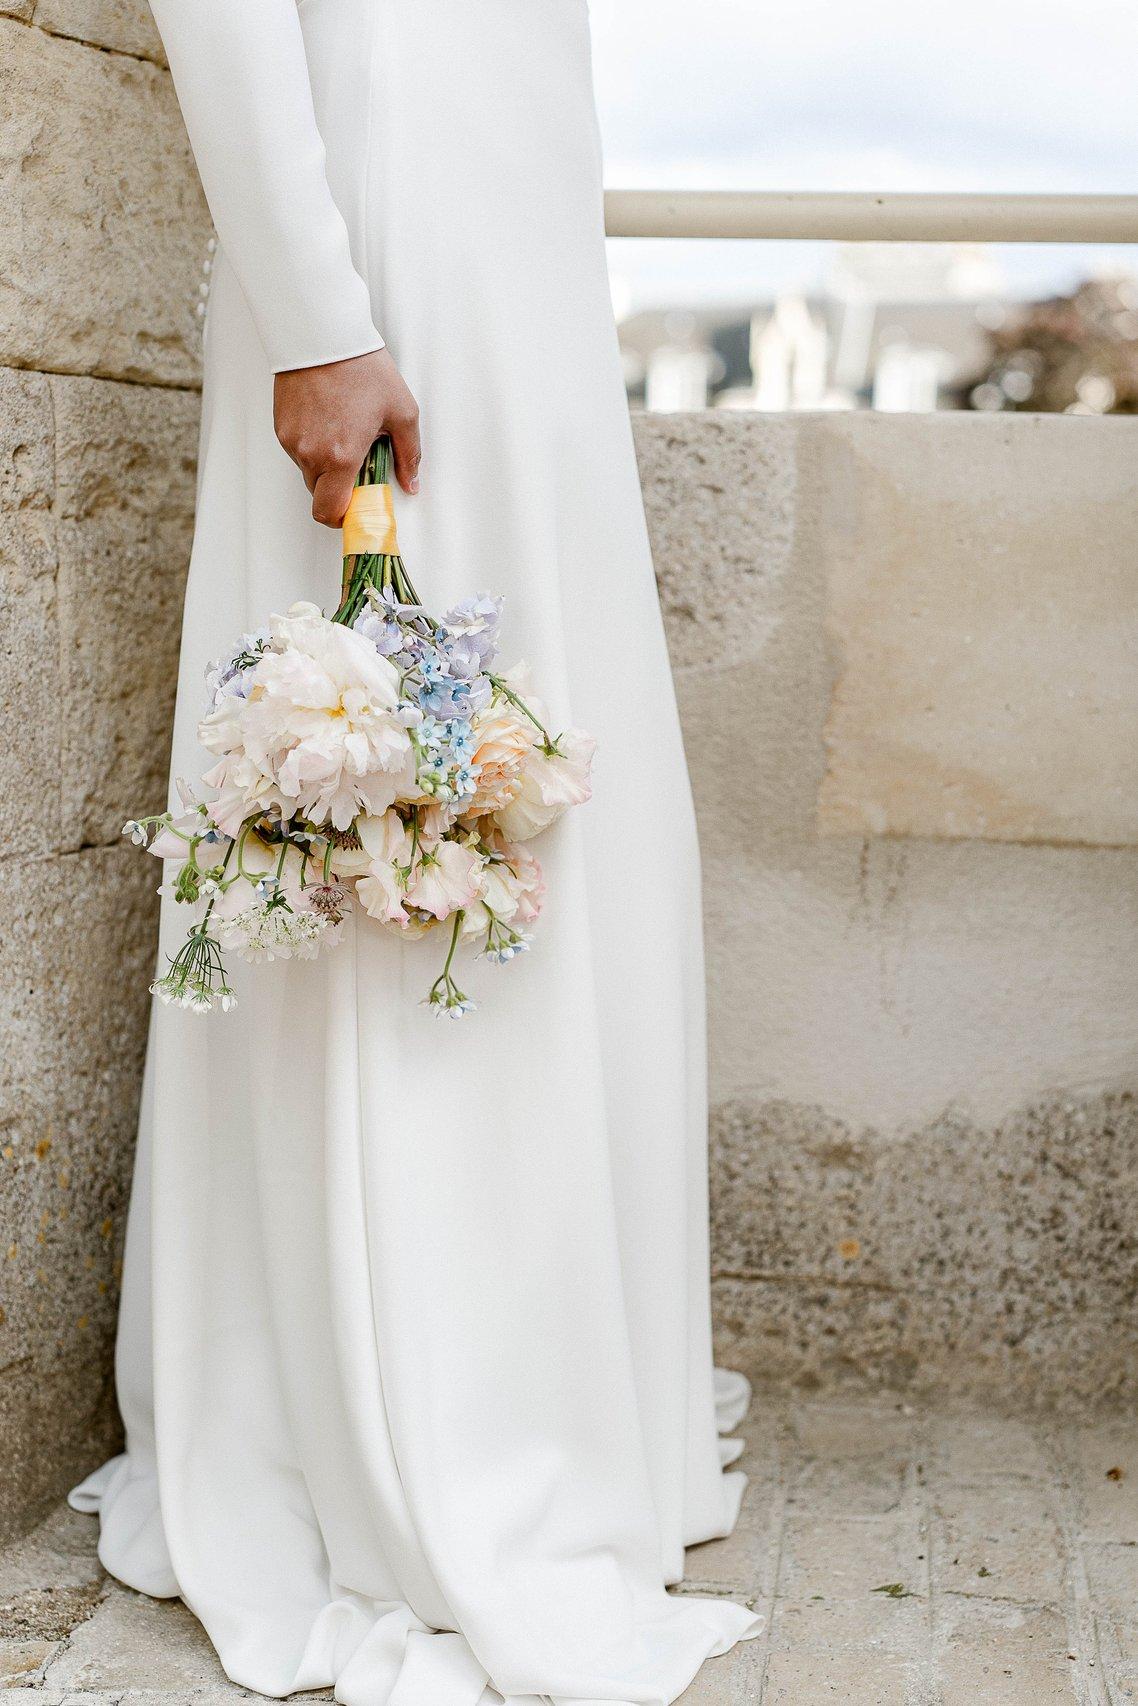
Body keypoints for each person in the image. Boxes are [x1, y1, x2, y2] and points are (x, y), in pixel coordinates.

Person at [70, 2, 760, 1700]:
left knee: (522, 765)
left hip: (508, 232)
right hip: (389, 245)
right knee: (400, 763)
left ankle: (553, 1376)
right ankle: (413, 1407)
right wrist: (318, 315)